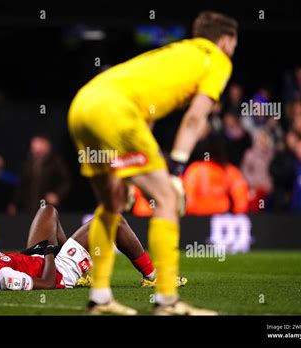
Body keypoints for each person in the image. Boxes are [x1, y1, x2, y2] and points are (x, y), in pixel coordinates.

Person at [68, 11, 237, 315]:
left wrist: (129, 175)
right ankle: (167, 301)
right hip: (116, 111)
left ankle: (101, 298)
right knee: (167, 197)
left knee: (111, 204)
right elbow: (196, 118)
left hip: (83, 104)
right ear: (225, 41)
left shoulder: (175, 52)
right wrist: (176, 168)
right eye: (233, 45)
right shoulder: (218, 59)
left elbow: (147, 112)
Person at [0, 205, 187, 296]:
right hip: (57, 273)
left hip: (34, 257)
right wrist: (50, 250)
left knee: (48, 211)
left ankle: (83, 271)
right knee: (114, 219)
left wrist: (37, 252)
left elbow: (17, 262)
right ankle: (152, 277)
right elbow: (45, 284)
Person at [11, 134, 70, 215]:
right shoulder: (28, 163)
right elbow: (21, 185)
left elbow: (66, 181)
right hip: (28, 209)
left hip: (48, 208)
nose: (35, 148)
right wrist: (14, 203)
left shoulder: (55, 162)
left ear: (46, 145)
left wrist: (57, 194)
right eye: (33, 145)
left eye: (38, 144)